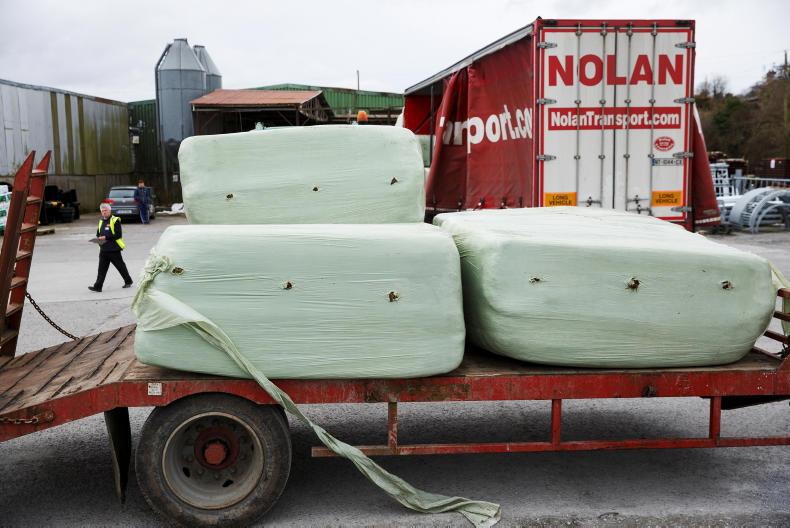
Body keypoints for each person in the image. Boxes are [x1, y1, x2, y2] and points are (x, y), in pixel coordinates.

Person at [89, 203, 133, 292]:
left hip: (114, 249)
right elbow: (98, 233)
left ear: (109, 211)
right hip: (103, 249)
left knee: (120, 266)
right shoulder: (101, 221)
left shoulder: (115, 220)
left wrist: (105, 237)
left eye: (105, 210)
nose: (104, 212)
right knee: (101, 269)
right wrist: (98, 238)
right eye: (102, 211)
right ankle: (98, 286)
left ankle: (128, 281)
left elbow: (118, 235)